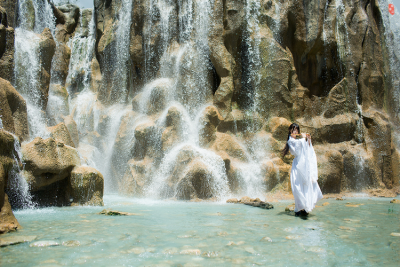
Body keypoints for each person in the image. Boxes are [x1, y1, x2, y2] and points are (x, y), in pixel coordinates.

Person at [282, 123, 323, 217]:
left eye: (296, 130)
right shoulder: (290, 141)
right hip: (297, 166)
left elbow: (308, 148)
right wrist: (303, 139)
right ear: (290, 131)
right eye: (293, 130)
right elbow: (296, 151)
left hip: (304, 165)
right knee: (297, 187)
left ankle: (305, 207)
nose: (295, 132)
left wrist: (308, 140)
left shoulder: (298, 140)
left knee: (306, 184)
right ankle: (299, 207)